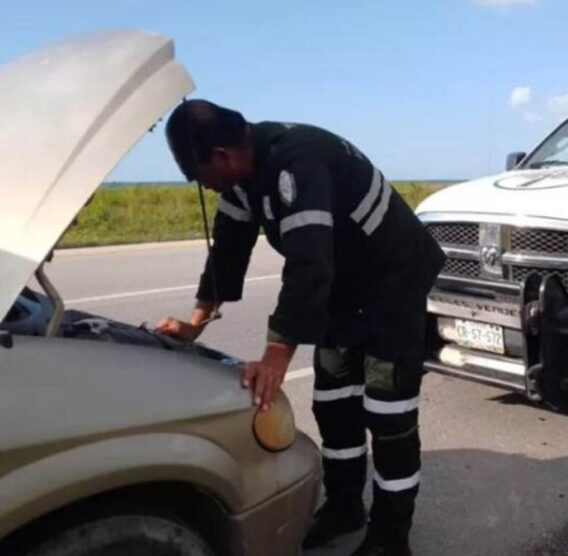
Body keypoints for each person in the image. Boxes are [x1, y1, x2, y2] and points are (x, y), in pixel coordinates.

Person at [156, 100, 444, 555]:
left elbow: (309, 264)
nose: (203, 187)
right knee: (334, 404)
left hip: (392, 284)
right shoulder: (241, 180)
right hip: (342, 289)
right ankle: (345, 506)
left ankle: (391, 535)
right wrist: (195, 324)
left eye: (199, 175)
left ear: (222, 156)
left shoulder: (297, 162)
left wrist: (276, 354)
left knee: (388, 413)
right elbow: (227, 252)